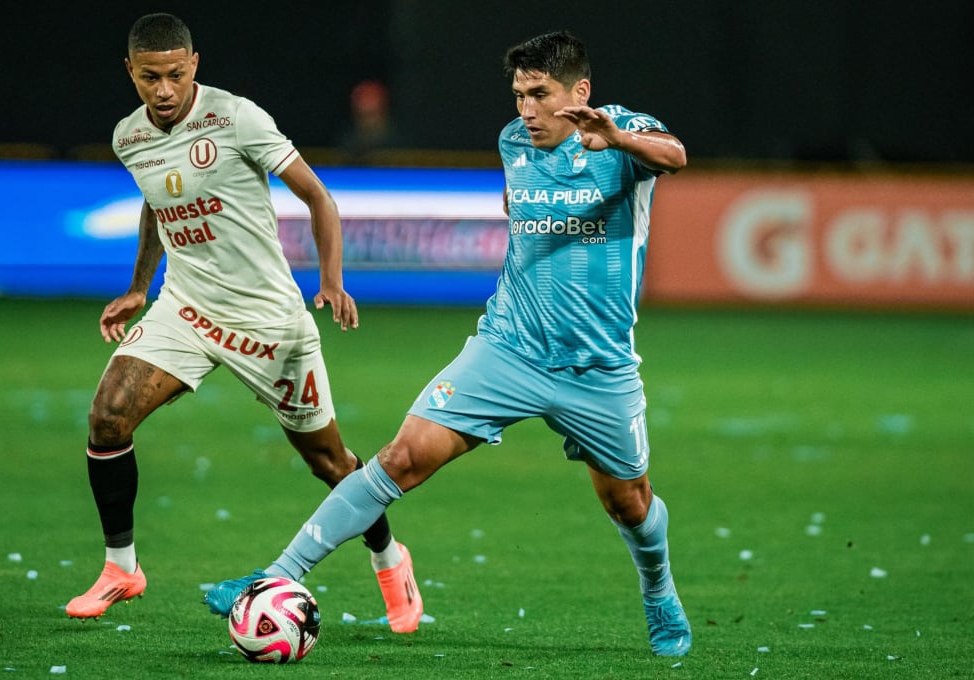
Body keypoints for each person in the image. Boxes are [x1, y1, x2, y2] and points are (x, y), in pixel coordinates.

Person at [205, 30, 692, 656]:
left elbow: (676, 156)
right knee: (403, 456)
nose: (527, 110)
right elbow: (522, 211)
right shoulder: (514, 141)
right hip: (508, 348)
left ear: (581, 92)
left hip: (597, 368)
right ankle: (275, 575)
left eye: (540, 95)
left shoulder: (626, 133)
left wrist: (617, 139)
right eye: (519, 94)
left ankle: (659, 594)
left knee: (629, 502)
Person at [65, 13, 422, 635]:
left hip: (268, 320)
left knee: (329, 460)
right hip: (185, 306)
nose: (165, 90)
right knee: (107, 416)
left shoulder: (237, 118)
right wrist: (137, 289)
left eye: (176, 75)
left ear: (194, 65)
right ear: (131, 73)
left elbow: (317, 196)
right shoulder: (129, 137)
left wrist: (331, 281)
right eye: (150, 77)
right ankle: (121, 566)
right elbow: (157, 208)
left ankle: (391, 560)